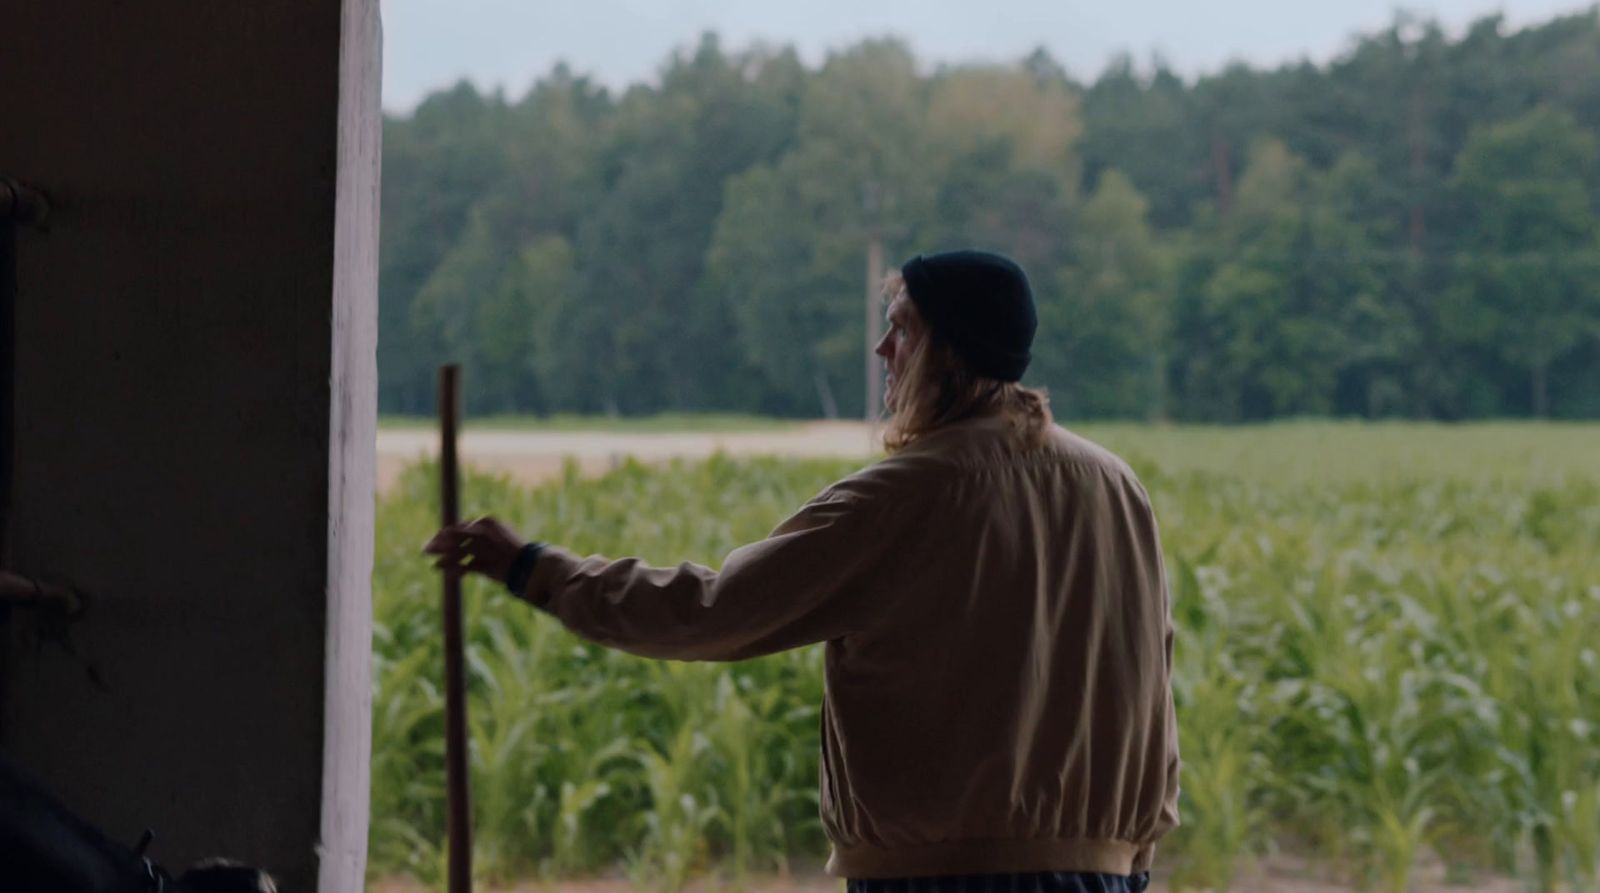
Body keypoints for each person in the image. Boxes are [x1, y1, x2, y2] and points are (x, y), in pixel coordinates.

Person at [426, 249, 1179, 893]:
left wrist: (538, 569)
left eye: (902, 329)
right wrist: (1133, 859)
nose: (884, 350)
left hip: (941, 875)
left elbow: (714, 612)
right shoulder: (1117, 487)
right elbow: (1149, 683)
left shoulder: (909, 493)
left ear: (949, 351)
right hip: (1105, 874)